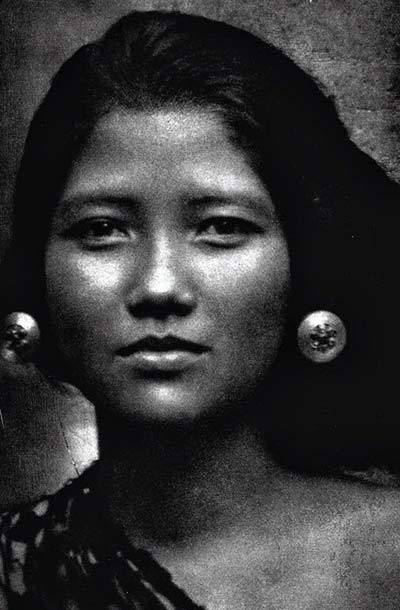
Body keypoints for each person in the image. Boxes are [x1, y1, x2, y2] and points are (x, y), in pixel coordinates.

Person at [0, 9, 400, 609]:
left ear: (305, 261)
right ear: (38, 271)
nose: (159, 286)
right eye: (102, 229)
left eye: (221, 226)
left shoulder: (389, 559)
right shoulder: (17, 569)